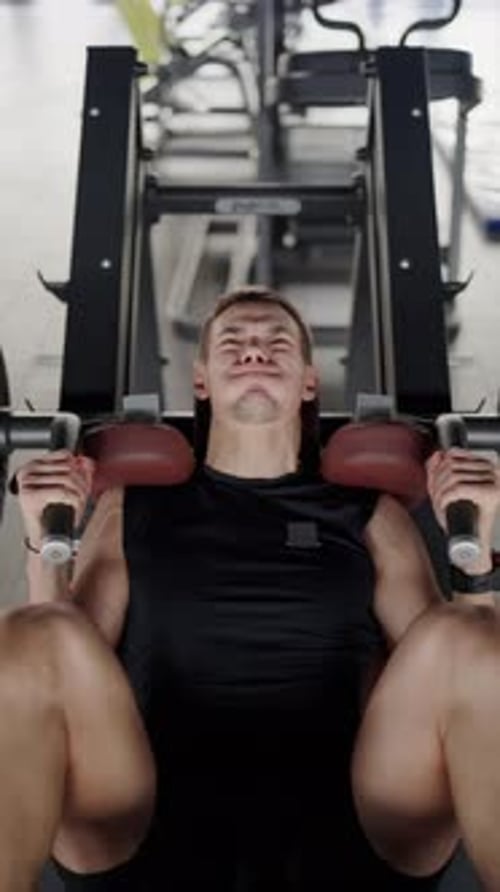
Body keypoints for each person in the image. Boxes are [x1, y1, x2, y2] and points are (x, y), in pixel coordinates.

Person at [3, 284, 500, 892]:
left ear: (309, 382)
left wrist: (476, 535)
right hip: (143, 809)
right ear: (203, 380)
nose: (254, 351)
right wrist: (39, 536)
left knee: (462, 630)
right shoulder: (129, 507)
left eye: (276, 342)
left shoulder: (368, 514)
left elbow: (466, 680)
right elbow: (54, 671)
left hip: (355, 812)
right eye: (234, 341)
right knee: (34, 629)